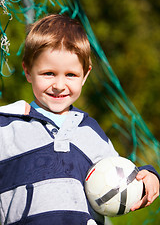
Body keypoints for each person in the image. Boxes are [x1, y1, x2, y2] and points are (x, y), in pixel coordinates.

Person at [0, 14, 159, 225]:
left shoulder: (90, 132)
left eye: (71, 75)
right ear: (28, 71)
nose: (59, 84)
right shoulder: (6, 126)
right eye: (48, 73)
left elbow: (121, 177)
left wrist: (148, 176)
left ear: (85, 75)